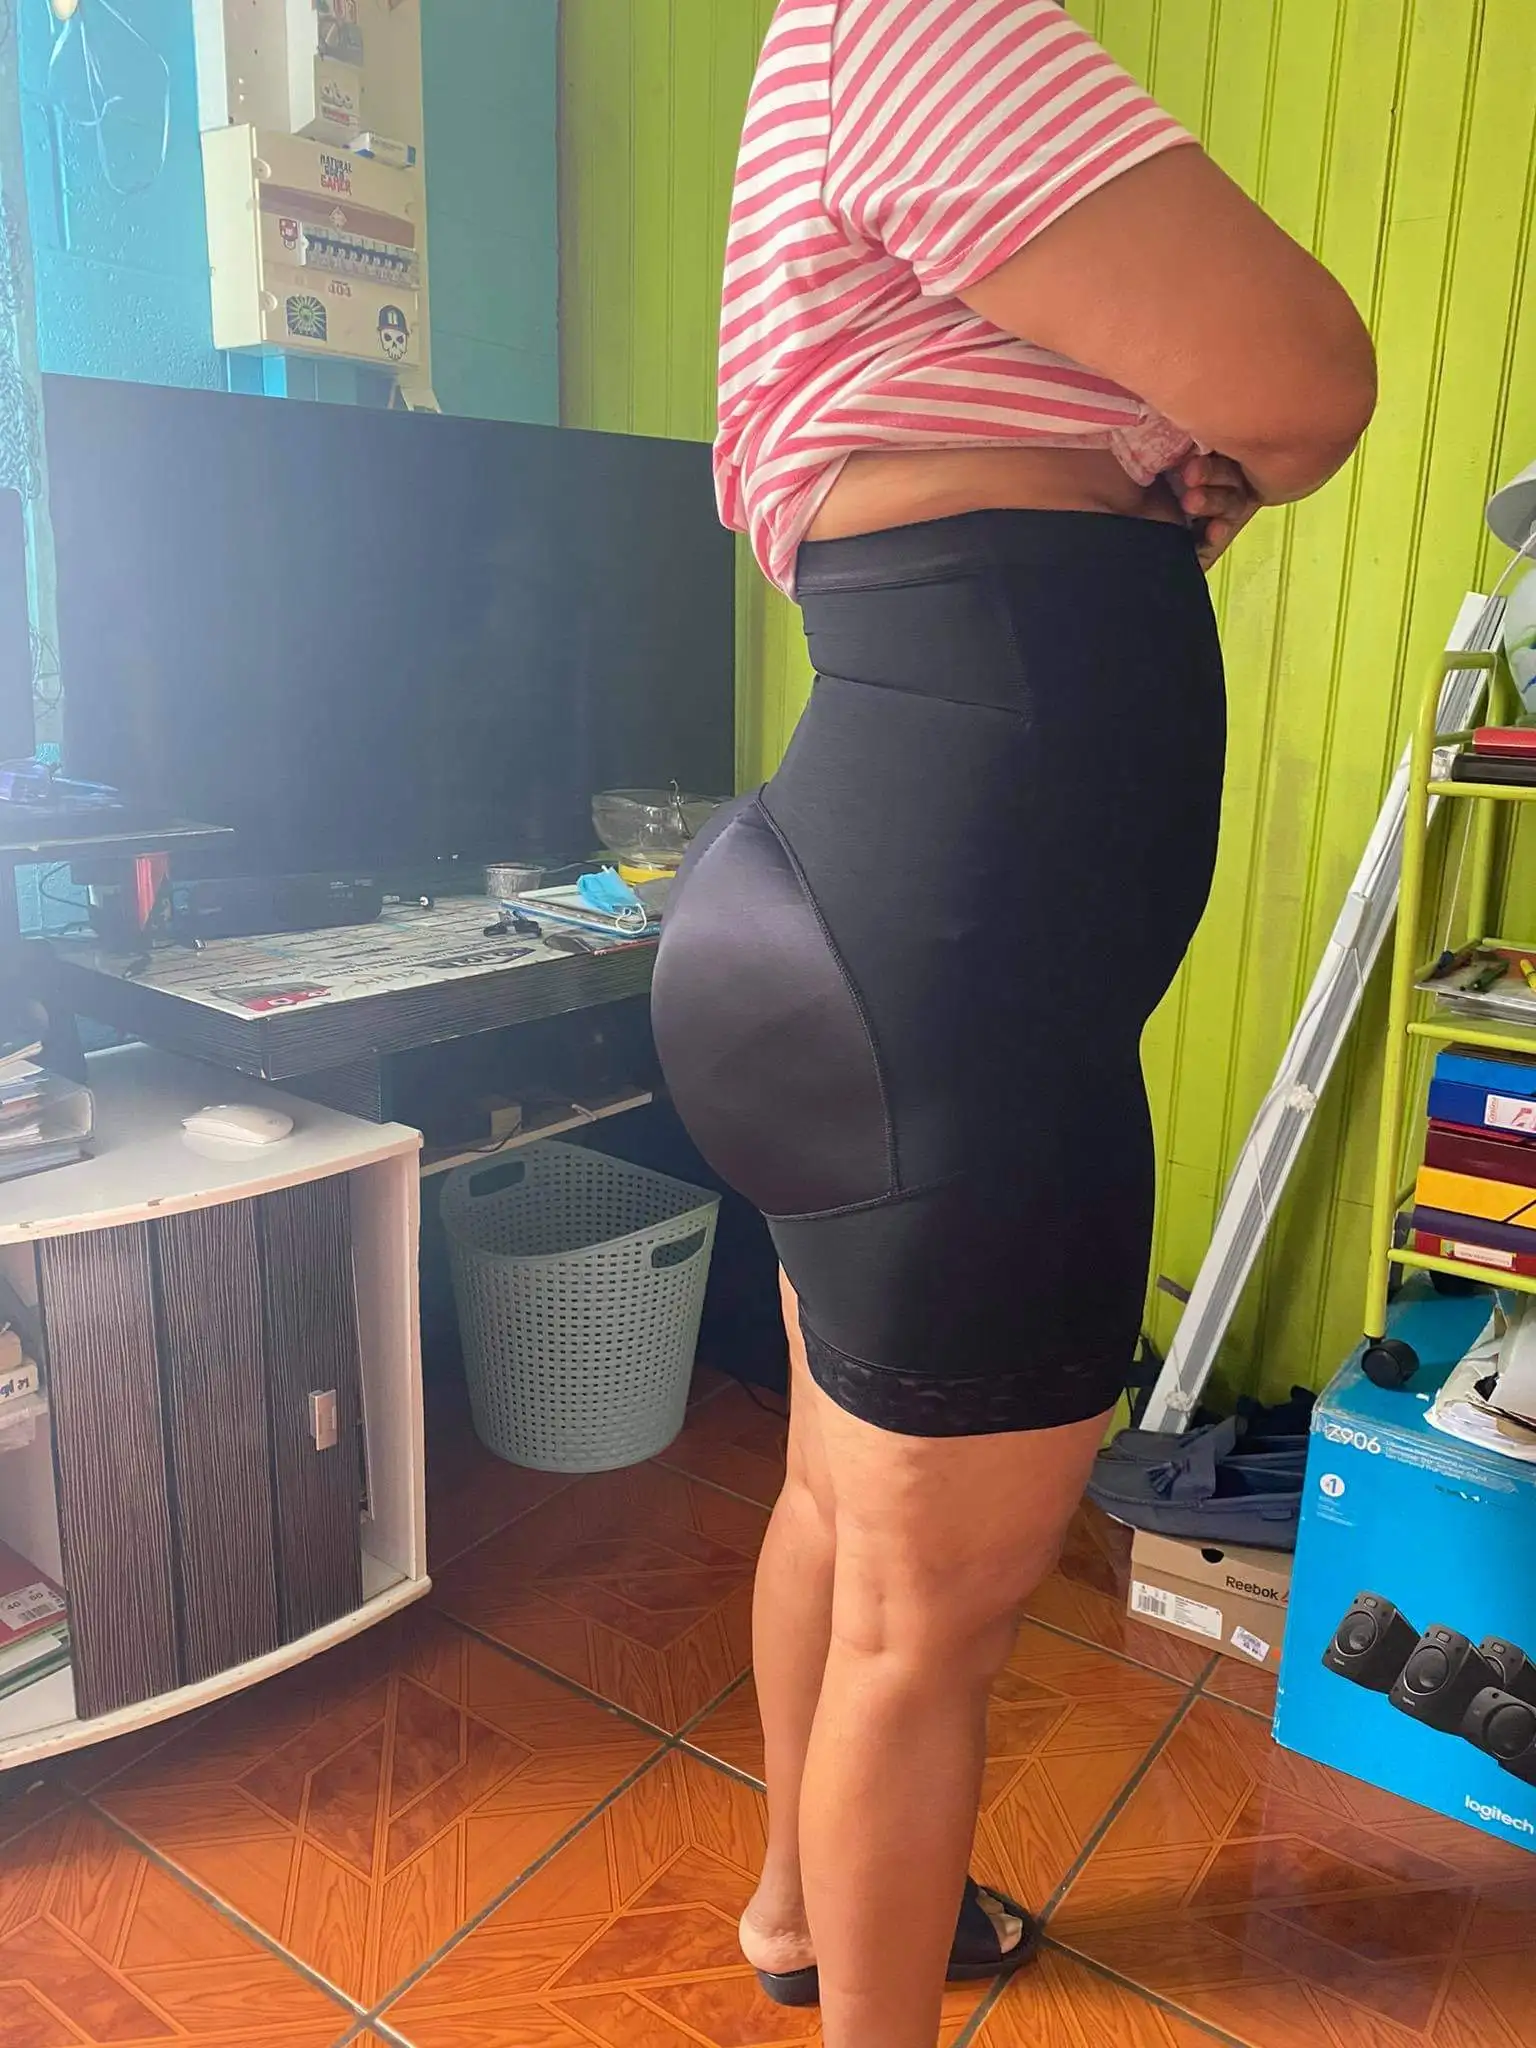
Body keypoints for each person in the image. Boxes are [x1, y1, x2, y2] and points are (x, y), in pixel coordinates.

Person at [651, 5, 1376, 2045]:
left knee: (840, 1507)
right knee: (926, 1628)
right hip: (948, 980)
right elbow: (1311, 378)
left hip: (848, 912)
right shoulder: (917, 15)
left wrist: (1163, 450)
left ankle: (796, 1908)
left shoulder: (831, 55)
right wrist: (1203, 452)